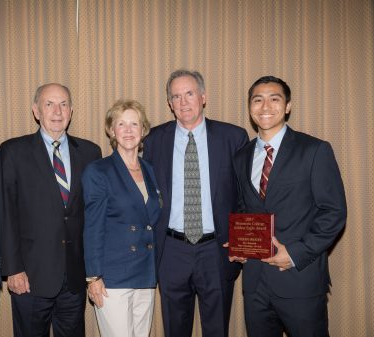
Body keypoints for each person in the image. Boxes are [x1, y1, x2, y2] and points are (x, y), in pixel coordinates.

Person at [230, 76, 347, 337]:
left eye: (275, 98)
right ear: (250, 107)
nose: (265, 106)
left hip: (300, 280)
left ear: (288, 106)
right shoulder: (241, 157)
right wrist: (238, 244)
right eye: (257, 100)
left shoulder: (315, 150)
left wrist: (295, 253)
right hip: (255, 283)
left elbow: (334, 212)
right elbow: (244, 210)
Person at [142, 69, 249, 337]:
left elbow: (245, 197)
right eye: (176, 96)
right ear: (170, 104)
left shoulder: (233, 138)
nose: (183, 102)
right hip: (171, 251)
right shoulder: (153, 140)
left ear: (203, 97)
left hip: (217, 249)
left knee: (217, 329)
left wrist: (241, 242)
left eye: (189, 93)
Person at [0, 83, 102, 337]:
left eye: (64, 104)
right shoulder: (13, 151)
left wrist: (94, 271)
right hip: (30, 276)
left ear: (71, 110)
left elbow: (95, 216)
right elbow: (5, 213)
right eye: (49, 104)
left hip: (75, 276)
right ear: (36, 111)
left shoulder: (90, 152)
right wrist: (13, 268)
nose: (57, 111)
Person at [82, 99, 162, 337]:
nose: (128, 130)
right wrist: (93, 277)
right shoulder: (99, 171)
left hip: (145, 274)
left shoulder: (150, 170)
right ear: (111, 130)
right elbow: (92, 227)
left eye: (134, 124)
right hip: (112, 278)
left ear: (143, 130)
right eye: (121, 124)